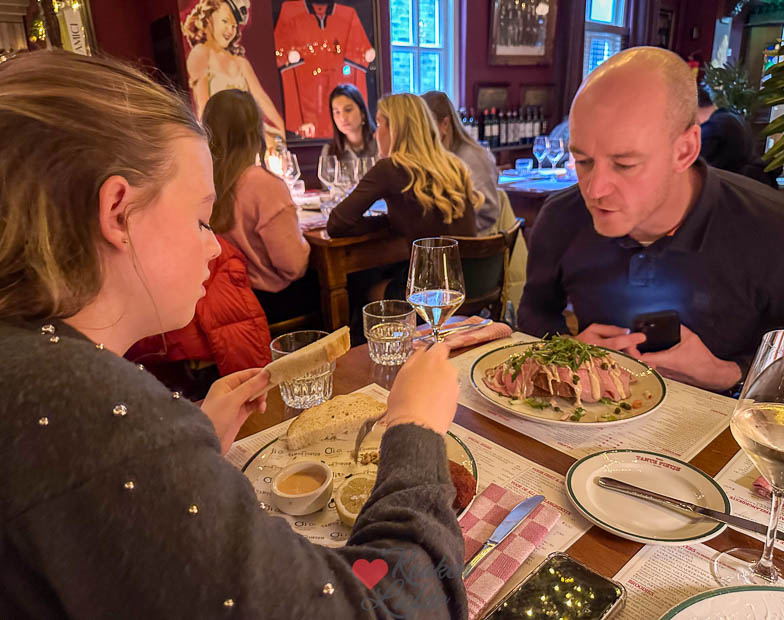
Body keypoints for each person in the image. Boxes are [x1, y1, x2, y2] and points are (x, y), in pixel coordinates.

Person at [0, 50, 467, 618]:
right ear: (118, 211)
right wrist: (415, 427)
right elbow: (396, 607)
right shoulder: (83, 407)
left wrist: (185, 445)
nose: (216, 243)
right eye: (202, 217)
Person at [518, 46, 784, 392]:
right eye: (584, 161)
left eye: (624, 164)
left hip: (725, 426)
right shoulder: (561, 216)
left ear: (685, 150)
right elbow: (534, 314)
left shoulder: (778, 230)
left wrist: (729, 373)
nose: (595, 190)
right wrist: (567, 348)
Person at [327, 93, 482, 299]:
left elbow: (336, 223)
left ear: (395, 130)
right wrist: (389, 222)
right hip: (470, 285)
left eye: (380, 124)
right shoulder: (453, 165)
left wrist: (384, 223)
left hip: (430, 293)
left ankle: (358, 332)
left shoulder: (390, 168)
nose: (375, 134)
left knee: (360, 287)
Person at [201, 88, 312, 324]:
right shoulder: (263, 185)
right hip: (268, 303)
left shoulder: (201, 183)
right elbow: (293, 266)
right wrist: (302, 242)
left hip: (220, 302)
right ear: (254, 133)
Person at [126, 235, 272, 400]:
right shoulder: (196, 251)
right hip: (183, 366)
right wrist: (253, 387)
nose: (214, 247)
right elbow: (234, 328)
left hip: (153, 361)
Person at [182, 0, 286, 140]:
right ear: (208, 19)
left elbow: (262, 99)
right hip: (220, 138)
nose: (230, 30)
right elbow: (203, 108)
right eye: (225, 21)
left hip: (249, 136)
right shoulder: (201, 54)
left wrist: (282, 130)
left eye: (234, 26)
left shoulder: (240, 62)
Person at [273, 0, 375, 139]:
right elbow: (279, 50)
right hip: (306, 85)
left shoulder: (347, 15)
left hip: (337, 80)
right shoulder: (291, 11)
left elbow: (362, 53)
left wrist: (360, 55)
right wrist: (290, 56)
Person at [422, 90, 500, 234]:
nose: (421, 134)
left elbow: (488, 211)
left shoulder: (471, 157)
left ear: (445, 124)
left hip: (476, 244)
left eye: (426, 126)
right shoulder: (441, 156)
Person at [697, 83, 776, 187]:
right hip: (748, 187)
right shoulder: (731, 116)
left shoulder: (713, 127)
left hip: (729, 190)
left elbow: (693, 166)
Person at [320, 83, 378, 162]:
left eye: (348, 110)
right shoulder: (329, 151)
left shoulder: (380, 144)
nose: (343, 118)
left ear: (362, 113)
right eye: (337, 112)